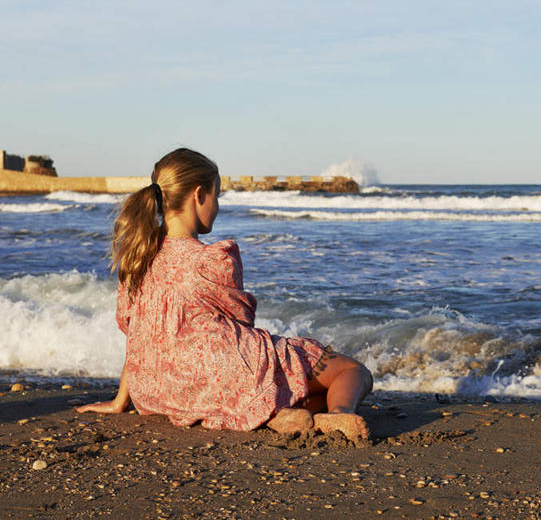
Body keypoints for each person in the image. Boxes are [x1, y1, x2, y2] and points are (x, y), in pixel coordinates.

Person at [77, 148, 372, 441]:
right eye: (216, 196)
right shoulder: (213, 260)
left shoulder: (137, 259)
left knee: (285, 386)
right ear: (198, 195)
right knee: (351, 371)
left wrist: (121, 400)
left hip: (157, 393)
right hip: (217, 375)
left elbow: (135, 332)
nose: (217, 206)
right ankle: (338, 413)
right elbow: (242, 327)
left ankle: (276, 414)